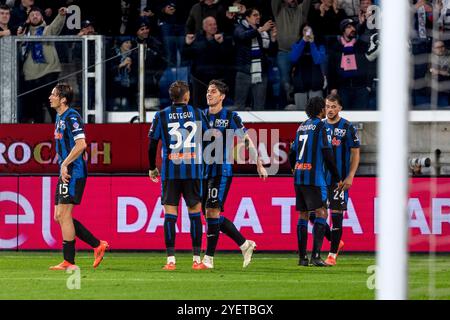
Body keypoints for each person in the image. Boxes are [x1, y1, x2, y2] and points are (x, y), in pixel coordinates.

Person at [193, 80, 268, 270]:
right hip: (203, 171)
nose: (209, 94)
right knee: (211, 215)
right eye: (208, 91)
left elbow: (246, 139)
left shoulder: (230, 116)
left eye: (213, 92)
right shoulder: (200, 115)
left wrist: (258, 163)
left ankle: (208, 259)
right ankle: (245, 244)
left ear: (222, 96)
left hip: (221, 171)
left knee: (212, 212)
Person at [148, 80, 209, 270]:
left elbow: (152, 145)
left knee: (170, 215)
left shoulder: (161, 115)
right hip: (192, 171)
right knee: (195, 214)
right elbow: (210, 139)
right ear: (186, 96)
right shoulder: (198, 114)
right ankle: (197, 260)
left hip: (170, 172)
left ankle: (171, 260)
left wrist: (152, 167)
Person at [48, 83, 109, 271]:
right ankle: (98, 244)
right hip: (66, 170)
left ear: (63, 99)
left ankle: (69, 261)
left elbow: (81, 144)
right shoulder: (59, 117)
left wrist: (65, 164)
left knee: (64, 215)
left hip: (74, 172)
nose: (50, 97)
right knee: (59, 216)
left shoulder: (72, 116)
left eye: (54, 94)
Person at [288, 96, 342, 267]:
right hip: (314, 176)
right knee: (321, 212)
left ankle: (302, 258)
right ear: (321, 110)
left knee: (303, 214)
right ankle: (316, 256)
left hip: (299, 176)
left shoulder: (301, 126)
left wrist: (293, 168)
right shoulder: (322, 126)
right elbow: (327, 153)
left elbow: (292, 152)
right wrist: (337, 176)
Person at [323, 93, 360, 265]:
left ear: (340, 108)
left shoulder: (347, 126)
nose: (330, 110)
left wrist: (350, 175)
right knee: (311, 213)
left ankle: (332, 254)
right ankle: (335, 240)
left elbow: (355, 153)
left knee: (336, 215)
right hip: (321, 179)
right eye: (327, 106)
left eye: (333, 107)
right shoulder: (320, 126)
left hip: (339, 180)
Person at [18, 6, 67, 123]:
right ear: (28, 18)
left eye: (37, 14)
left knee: (53, 104)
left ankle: (60, 132)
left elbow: (56, 26)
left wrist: (61, 16)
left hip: (48, 72)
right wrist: (21, 32)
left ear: (42, 17)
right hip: (30, 75)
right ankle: (39, 134)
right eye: (32, 15)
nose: (35, 16)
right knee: (36, 108)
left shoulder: (47, 30)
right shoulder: (24, 34)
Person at [182, 16, 233, 109]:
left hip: (217, 78)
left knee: (216, 105)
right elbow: (186, 56)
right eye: (210, 25)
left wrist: (221, 43)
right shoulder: (196, 39)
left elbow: (228, 57)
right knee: (199, 105)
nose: (214, 27)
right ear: (204, 27)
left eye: (215, 24)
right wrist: (187, 44)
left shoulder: (222, 38)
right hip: (199, 78)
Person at [233, 7, 278, 110]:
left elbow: (270, 52)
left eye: (259, 15)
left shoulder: (263, 32)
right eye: (255, 15)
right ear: (247, 18)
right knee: (239, 105)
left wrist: (273, 38)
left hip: (261, 72)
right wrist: (261, 29)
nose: (258, 17)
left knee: (259, 105)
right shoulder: (240, 28)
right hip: (244, 71)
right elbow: (243, 37)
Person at [327, 18, 372, 110]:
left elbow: (369, 66)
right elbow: (331, 69)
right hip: (343, 88)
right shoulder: (336, 47)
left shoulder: (362, 45)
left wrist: (368, 85)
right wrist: (333, 87)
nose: (353, 29)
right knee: (345, 118)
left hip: (361, 87)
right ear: (343, 30)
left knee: (360, 118)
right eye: (349, 27)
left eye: (353, 26)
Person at [290, 23, 326, 110]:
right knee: (300, 114)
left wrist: (312, 43)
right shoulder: (297, 45)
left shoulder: (319, 45)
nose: (307, 33)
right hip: (300, 84)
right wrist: (303, 41)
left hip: (315, 83)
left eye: (309, 30)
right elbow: (293, 58)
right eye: (305, 30)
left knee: (316, 113)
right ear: (301, 33)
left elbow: (318, 60)